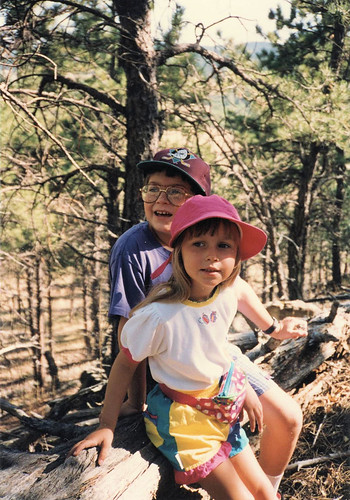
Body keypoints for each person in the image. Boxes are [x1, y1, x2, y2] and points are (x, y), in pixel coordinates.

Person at [108, 147, 306, 496]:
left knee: (288, 417)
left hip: (215, 359)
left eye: (176, 192)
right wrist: (133, 404)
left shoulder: (218, 252)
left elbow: (236, 293)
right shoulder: (135, 250)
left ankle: (268, 489)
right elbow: (130, 342)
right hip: (176, 375)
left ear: (198, 203)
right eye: (153, 188)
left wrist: (272, 330)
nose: (161, 199)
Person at [69, 194, 280, 500]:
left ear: (237, 255)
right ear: (178, 251)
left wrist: (242, 385)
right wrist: (106, 424)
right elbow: (125, 363)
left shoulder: (224, 295)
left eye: (224, 246)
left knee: (265, 492)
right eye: (199, 244)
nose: (211, 256)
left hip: (221, 408)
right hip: (184, 421)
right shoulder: (158, 315)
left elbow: (216, 346)